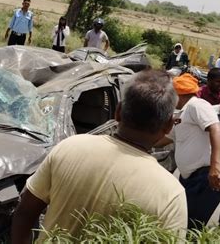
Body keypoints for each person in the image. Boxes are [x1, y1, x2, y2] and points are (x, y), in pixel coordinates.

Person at [11, 70, 187, 243]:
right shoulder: (171, 195)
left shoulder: (69, 148)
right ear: (169, 126)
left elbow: (25, 212)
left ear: (118, 112)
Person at [156, 73, 220, 230]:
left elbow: (218, 130)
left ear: (178, 94)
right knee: (179, 223)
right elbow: (164, 140)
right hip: (192, 178)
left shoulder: (197, 105)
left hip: (207, 175)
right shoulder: (182, 114)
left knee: (190, 227)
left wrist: (215, 166)